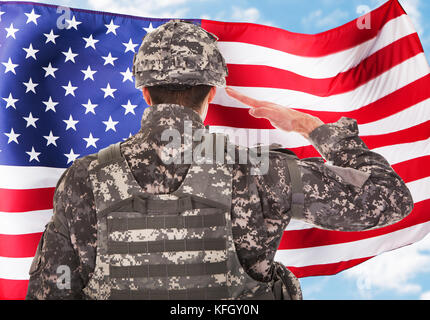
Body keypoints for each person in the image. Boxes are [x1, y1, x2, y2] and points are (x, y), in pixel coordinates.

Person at [26, 20, 414, 300]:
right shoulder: (261, 171)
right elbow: (390, 199)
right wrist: (315, 129)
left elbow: (50, 291)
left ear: (145, 93)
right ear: (211, 93)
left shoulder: (83, 180)